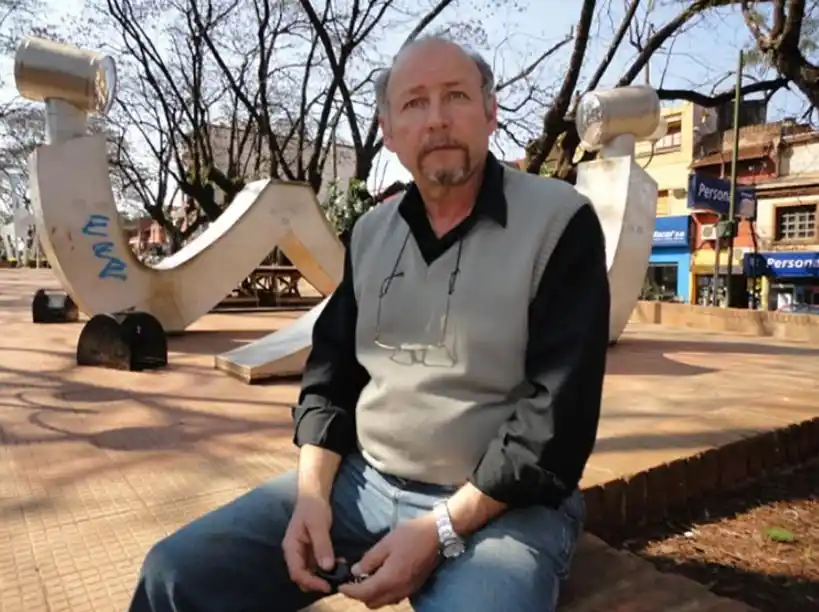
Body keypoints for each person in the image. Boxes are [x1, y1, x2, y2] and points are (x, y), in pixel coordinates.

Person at [128, 34, 610, 612]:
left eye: (455, 96)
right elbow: (330, 376)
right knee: (173, 575)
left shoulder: (559, 223)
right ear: (388, 130)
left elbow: (554, 424)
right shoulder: (372, 234)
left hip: (503, 507)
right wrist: (311, 496)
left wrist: (440, 530)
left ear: (490, 112)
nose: (436, 120)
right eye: (413, 103)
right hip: (363, 483)